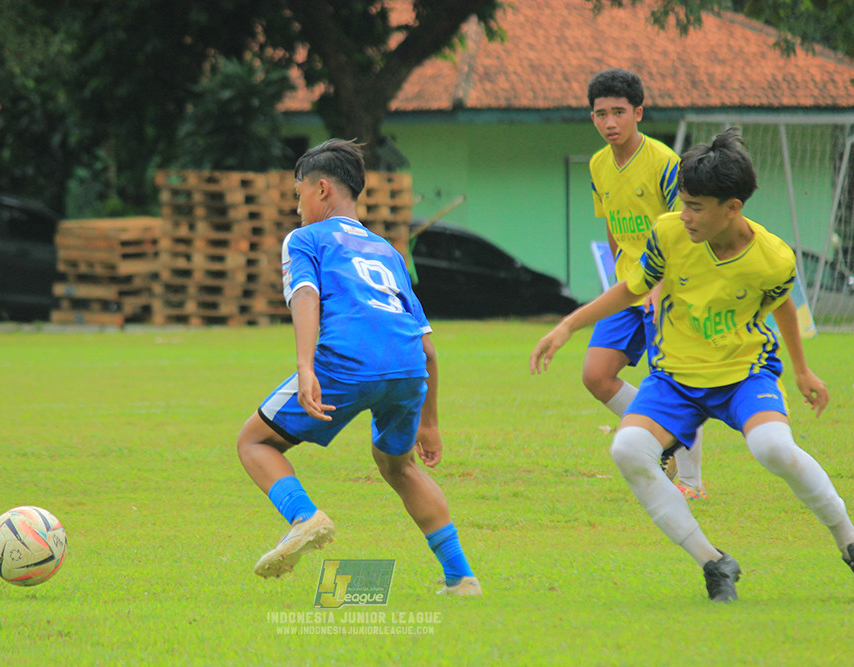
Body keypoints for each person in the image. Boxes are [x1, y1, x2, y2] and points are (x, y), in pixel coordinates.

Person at [530, 127, 854, 602]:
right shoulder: (669, 233)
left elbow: (783, 303)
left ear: (732, 207)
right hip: (675, 378)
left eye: (696, 207)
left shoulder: (772, 257)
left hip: (744, 374)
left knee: (772, 448)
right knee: (628, 450)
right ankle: (714, 563)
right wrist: (568, 325)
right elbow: (634, 287)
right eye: (683, 203)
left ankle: (847, 539)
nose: (684, 216)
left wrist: (802, 370)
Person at [237, 138, 481, 595]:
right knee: (399, 466)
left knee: (254, 442)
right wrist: (429, 423)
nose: (297, 209)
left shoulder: (305, 239)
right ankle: (461, 577)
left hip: (348, 361)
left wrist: (306, 366)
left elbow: (305, 295)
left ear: (322, 189)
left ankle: (304, 517)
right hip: (408, 367)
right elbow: (428, 348)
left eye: (299, 195)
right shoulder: (388, 252)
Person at [585, 68, 706, 498]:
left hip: (666, 287)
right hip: (628, 287)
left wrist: (661, 282)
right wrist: (619, 276)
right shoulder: (598, 165)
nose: (610, 122)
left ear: (638, 112)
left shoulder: (665, 162)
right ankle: (662, 437)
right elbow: (613, 226)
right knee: (596, 375)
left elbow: (683, 226)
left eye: (619, 112)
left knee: (672, 381)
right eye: (601, 114)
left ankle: (690, 483)